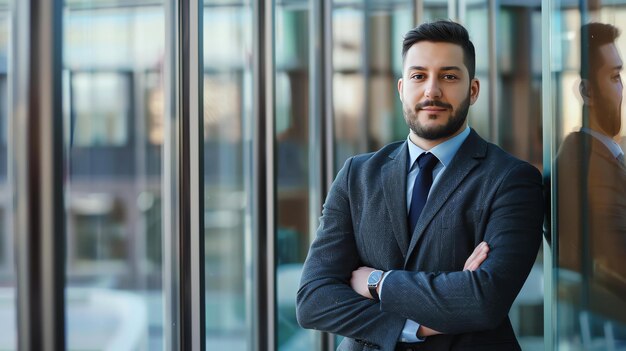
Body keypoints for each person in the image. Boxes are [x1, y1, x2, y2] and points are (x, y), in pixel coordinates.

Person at [296, 20, 544, 351]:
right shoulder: (357, 175)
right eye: (419, 76)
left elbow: (484, 300)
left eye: (449, 76)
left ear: (472, 89)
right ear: (402, 88)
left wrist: (377, 282)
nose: (432, 90)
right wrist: (415, 326)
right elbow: (314, 299)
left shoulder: (512, 179)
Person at [556, 22, 626, 325]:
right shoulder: (588, 163)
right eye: (614, 77)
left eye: (620, 76)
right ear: (586, 91)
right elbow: (615, 261)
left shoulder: (601, 156)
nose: (622, 88)